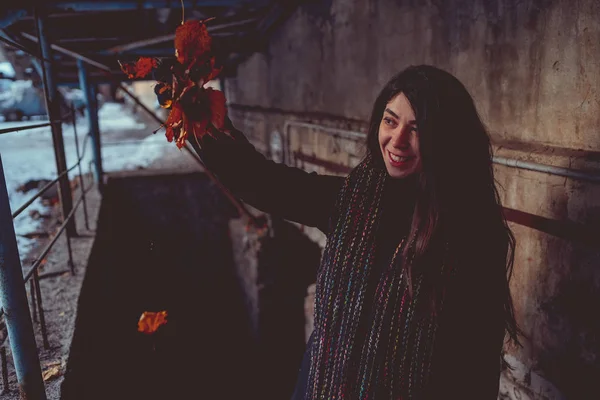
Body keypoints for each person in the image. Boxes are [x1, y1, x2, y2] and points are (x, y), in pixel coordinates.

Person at [188, 65, 520, 399]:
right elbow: (265, 183)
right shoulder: (355, 201)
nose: (398, 140)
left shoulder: (473, 236)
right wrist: (207, 125)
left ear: (446, 139)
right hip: (323, 384)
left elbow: (476, 364)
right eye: (390, 121)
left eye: (417, 129)